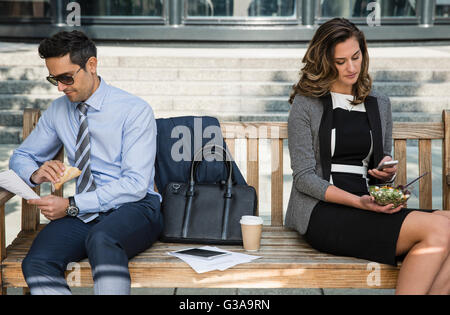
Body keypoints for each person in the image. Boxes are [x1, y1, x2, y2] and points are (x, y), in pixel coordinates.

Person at [286, 18, 450, 295]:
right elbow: (304, 178)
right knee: (438, 230)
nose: (351, 67)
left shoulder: (378, 103)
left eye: (356, 56)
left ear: (363, 52)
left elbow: (380, 164)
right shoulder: (307, 103)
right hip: (325, 212)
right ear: (325, 61)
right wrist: (358, 203)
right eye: (340, 61)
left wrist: (386, 171)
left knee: (447, 224)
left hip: (368, 204)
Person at [9, 30, 163, 295]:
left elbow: (136, 184)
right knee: (37, 262)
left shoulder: (134, 110)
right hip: (83, 213)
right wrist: (35, 173)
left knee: (103, 239)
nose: (60, 87)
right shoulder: (59, 110)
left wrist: (70, 205)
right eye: (53, 79)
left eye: (66, 77)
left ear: (91, 65)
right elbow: (21, 157)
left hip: (136, 207)